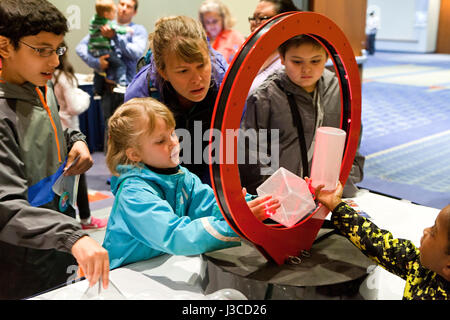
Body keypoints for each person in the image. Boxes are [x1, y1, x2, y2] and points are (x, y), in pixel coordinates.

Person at [0, 0, 109, 299]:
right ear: (5, 46)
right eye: (42, 50)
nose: (55, 62)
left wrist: (76, 140)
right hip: (18, 258)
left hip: (55, 239)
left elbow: (51, 129)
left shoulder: (37, 85)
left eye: (57, 49)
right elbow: (5, 207)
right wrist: (73, 236)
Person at [102, 98, 280, 269]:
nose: (173, 142)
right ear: (134, 154)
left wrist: (249, 206)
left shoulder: (180, 176)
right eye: (160, 141)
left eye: (172, 133)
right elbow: (175, 235)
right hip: (125, 275)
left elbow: (210, 204)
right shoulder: (133, 194)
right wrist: (234, 225)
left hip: (160, 265)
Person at [240, 35, 365, 197]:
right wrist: (274, 191)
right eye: (297, 62)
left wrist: (345, 178)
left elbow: (352, 144)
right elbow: (252, 153)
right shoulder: (265, 96)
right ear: (282, 59)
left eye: (315, 61)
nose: (306, 69)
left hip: (331, 195)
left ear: (326, 57)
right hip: (282, 199)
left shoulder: (340, 91)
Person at [125, 15, 228, 185]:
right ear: (163, 72)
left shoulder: (226, 84)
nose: (197, 80)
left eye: (201, 65)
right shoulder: (139, 96)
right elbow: (132, 166)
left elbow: (226, 151)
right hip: (161, 175)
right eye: (183, 71)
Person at [312, 180, 449, 300]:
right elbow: (378, 243)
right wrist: (336, 205)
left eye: (434, 232)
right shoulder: (420, 266)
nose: (426, 230)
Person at [76, 0, 147, 151]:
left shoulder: (137, 30)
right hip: (108, 88)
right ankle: (112, 170)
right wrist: (96, 62)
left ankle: (129, 171)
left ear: (134, 12)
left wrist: (115, 37)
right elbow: (80, 48)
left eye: (128, 6)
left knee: (131, 129)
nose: (123, 9)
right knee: (110, 128)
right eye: (121, 4)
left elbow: (135, 53)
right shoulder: (105, 25)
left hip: (129, 89)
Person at [52, 43, 108, 230]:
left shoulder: (54, 76)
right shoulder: (62, 77)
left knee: (66, 181)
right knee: (74, 180)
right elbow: (74, 106)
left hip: (63, 134)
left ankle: (72, 221)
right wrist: (84, 96)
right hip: (65, 135)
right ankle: (83, 220)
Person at [248, 0, 300, 95]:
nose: (253, 23)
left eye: (261, 18)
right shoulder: (250, 54)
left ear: (283, 22)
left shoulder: (293, 61)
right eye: (253, 18)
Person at [88, 0, 133, 95]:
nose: (115, 14)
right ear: (106, 14)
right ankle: (121, 84)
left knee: (99, 71)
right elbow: (117, 29)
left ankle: (96, 91)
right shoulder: (107, 23)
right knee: (120, 65)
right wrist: (126, 30)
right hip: (104, 51)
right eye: (113, 12)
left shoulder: (94, 20)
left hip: (94, 51)